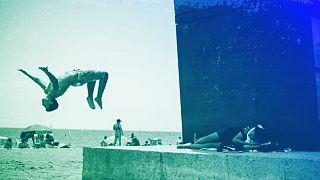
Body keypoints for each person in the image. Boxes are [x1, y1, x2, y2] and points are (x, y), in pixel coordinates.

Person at [17, 67, 108, 112]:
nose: (43, 104)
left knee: (92, 78)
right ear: (50, 102)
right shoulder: (55, 93)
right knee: (104, 74)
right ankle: (98, 97)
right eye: (45, 106)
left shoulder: (47, 90)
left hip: (77, 77)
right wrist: (47, 72)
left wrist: (25, 73)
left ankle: (90, 97)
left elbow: (38, 80)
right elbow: (55, 82)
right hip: (78, 77)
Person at [177, 125, 270, 151]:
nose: (251, 136)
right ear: (253, 130)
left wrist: (257, 146)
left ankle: (187, 146)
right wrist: (250, 143)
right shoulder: (248, 129)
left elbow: (241, 145)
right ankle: (193, 142)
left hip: (228, 143)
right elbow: (235, 139)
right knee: (201, 140)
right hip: (225, 133)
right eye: (252, 134)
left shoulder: (258, 137)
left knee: (205, 145)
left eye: (253, 137)